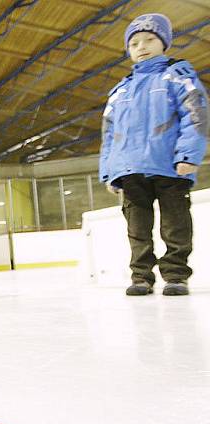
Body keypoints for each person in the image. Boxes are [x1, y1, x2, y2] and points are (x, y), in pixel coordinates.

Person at [99, 13, 208, 296]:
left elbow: (196, 116)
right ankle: (141, 277)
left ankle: (175, 275)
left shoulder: (178, 77)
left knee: (175, 224)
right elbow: (108, 135)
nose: (142, 46)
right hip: (129, 169)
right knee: (138, 229)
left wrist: (188, 155)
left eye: (149, 39)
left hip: (170, 165)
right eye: (134, 43)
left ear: (164, 43)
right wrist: (109, 171)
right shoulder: (119, 91)